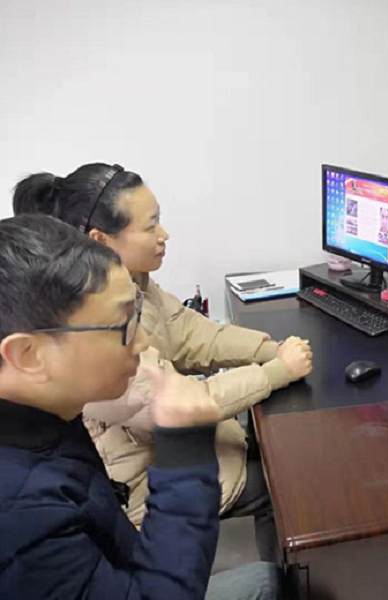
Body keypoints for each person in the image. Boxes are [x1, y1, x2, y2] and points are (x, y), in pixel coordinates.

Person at [13, 163, 313, 562]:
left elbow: (189, 331)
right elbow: (184, 404)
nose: (164, 235)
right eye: (150, 226)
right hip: (145, 486)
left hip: (166, 450)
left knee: (278, 448)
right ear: (101, 240)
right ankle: (283, 578)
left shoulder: (132, 281)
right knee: (286, 488)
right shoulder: (91, 337)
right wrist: (277, 372)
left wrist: (268, 349)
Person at [0, 214, 279, 599]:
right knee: (270, 582)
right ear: (28, 355)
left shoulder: (46, 416)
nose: (143, 341)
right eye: (123, 326)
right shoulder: (18, 515)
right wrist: (184, 456)